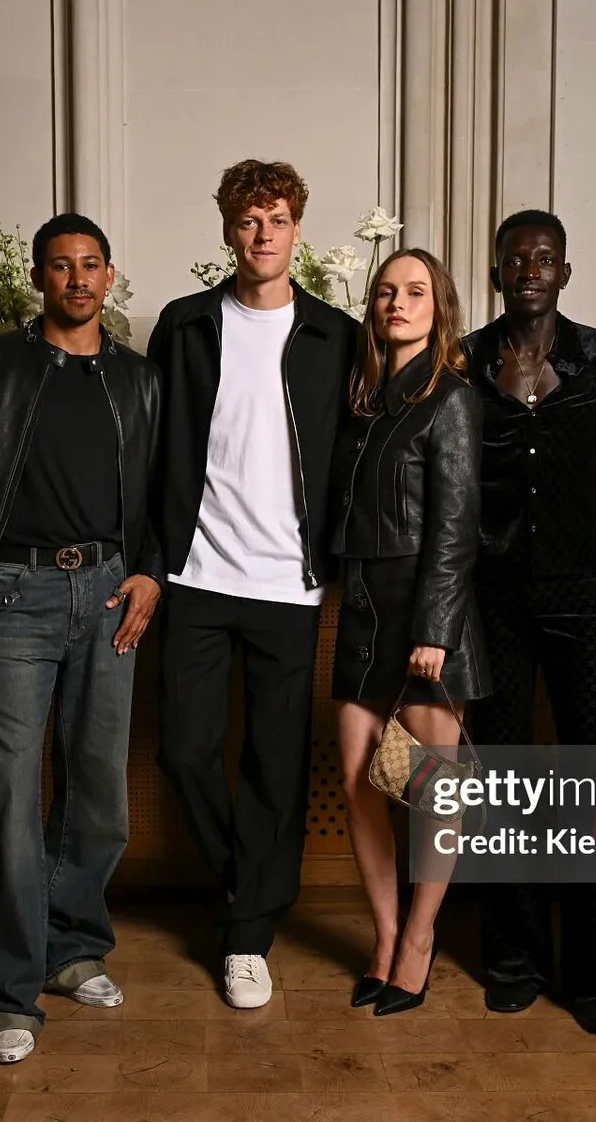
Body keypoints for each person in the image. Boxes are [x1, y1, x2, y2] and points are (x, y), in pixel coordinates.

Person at [0, 213, 164, 1065]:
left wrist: (151, 571)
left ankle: (73, 950)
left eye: (91, 264)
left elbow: (165, 488)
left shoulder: (139, 380)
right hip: (14, 594)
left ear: (110, 275)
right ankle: (6, 992)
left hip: (109, 592)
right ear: (38, 277)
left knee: (99, 785)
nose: (77, 278)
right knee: (8, 787)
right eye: (61, 265)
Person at [148, 160, 358, 1008]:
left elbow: (358, 449)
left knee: (275, 762)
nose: (262, 234)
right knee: (184, 749)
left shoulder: (337, 335)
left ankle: (246, 937)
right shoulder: (184, 324)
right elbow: (152, 447)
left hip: (288, 582)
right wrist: (151, 557)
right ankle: (252, 884)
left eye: (276, 219)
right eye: (248, 220)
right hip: (195, 572)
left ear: (297, 230)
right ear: (228, 231)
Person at [460, 210, 596, 1034]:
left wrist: (573, 498)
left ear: (565, 271)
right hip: (493, 594)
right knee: (504, 779)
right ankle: (514, 960)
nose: (530, 268)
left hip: (578, 594)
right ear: (496, 272)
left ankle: (592, 976)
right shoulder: (465, 359)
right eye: (515, 258)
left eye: (545, 257)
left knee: (591, 779)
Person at [328, 248, 486, 1017]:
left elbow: (455, 526)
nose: (398, 302)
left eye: (415, 291)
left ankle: (420, 941)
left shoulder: (450, 398)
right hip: (362, 606)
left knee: (432, 794)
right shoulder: (363, 400)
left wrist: (436, 630)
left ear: (439, 307)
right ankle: (386, 937)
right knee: (359, 778)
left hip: (425, 614)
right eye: (387, 291)